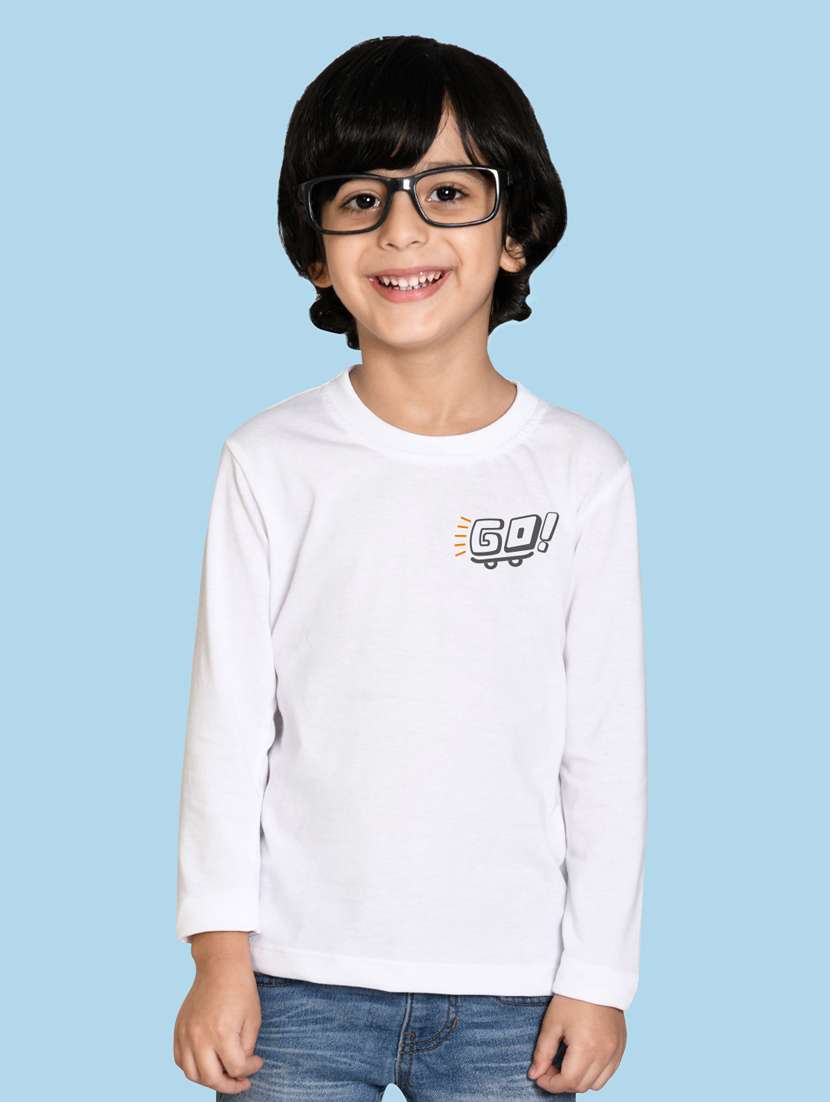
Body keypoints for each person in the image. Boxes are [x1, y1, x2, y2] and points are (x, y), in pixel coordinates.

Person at [173, 34, 648, 1101]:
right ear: (314, 249)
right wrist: (217, 954)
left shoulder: (582, 469)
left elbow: (604, 746)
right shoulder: (269, 460)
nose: (401, 230)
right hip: (294, 979)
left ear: (516, 232)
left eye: (446, 191)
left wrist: (598, 977)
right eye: (359, 198)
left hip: (515, 992)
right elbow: (228, 727)